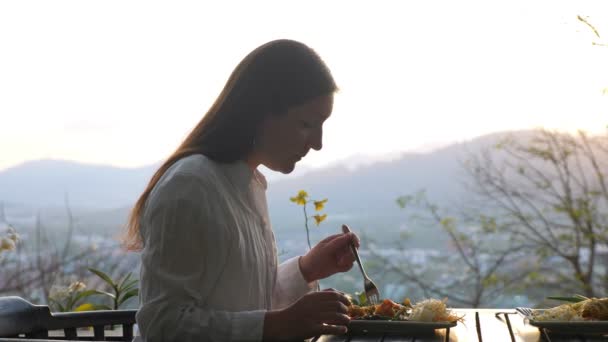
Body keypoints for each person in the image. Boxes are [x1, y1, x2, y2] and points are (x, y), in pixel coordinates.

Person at [123, 39, 361, 342]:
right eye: (306, 124)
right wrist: (281, 325)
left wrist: (307, 269)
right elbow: (163, 325)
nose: (317, 143)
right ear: (261, 113)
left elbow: (246, 305)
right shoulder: (190, 187)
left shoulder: (248, 185)